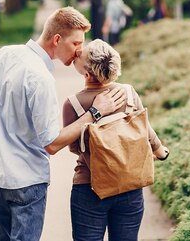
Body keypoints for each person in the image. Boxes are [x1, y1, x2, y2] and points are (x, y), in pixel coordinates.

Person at [0, 7, 126, 241]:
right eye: (76, 43)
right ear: (57, 39)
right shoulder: (41, 77)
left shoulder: (3, 55)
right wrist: (95, 113)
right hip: (25, 182)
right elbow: (52, 144)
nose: (79, 51)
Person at [63, 39, 170, 241]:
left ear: (87, 74)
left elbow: (74, 147)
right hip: (129, 185)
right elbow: (144, 128)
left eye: (80, 55)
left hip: (89, 187)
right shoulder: (128, 93)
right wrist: (159, 151)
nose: (77, 53)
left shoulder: (73, 104)